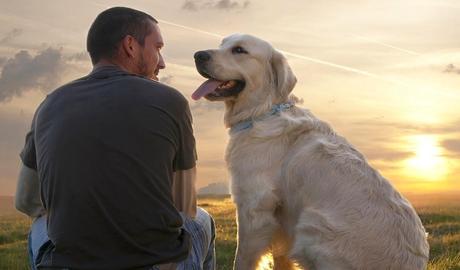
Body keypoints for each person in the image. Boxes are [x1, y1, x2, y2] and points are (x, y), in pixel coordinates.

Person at [14, 7, 215, 270]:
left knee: (40, 225)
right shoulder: (170, 100)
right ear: (130, 45)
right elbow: (184, 206)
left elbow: (26, 201)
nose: (163, 62)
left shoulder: (49, 105)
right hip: (154, 263)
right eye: (157, 47)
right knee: (202, 219)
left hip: (68, 263)